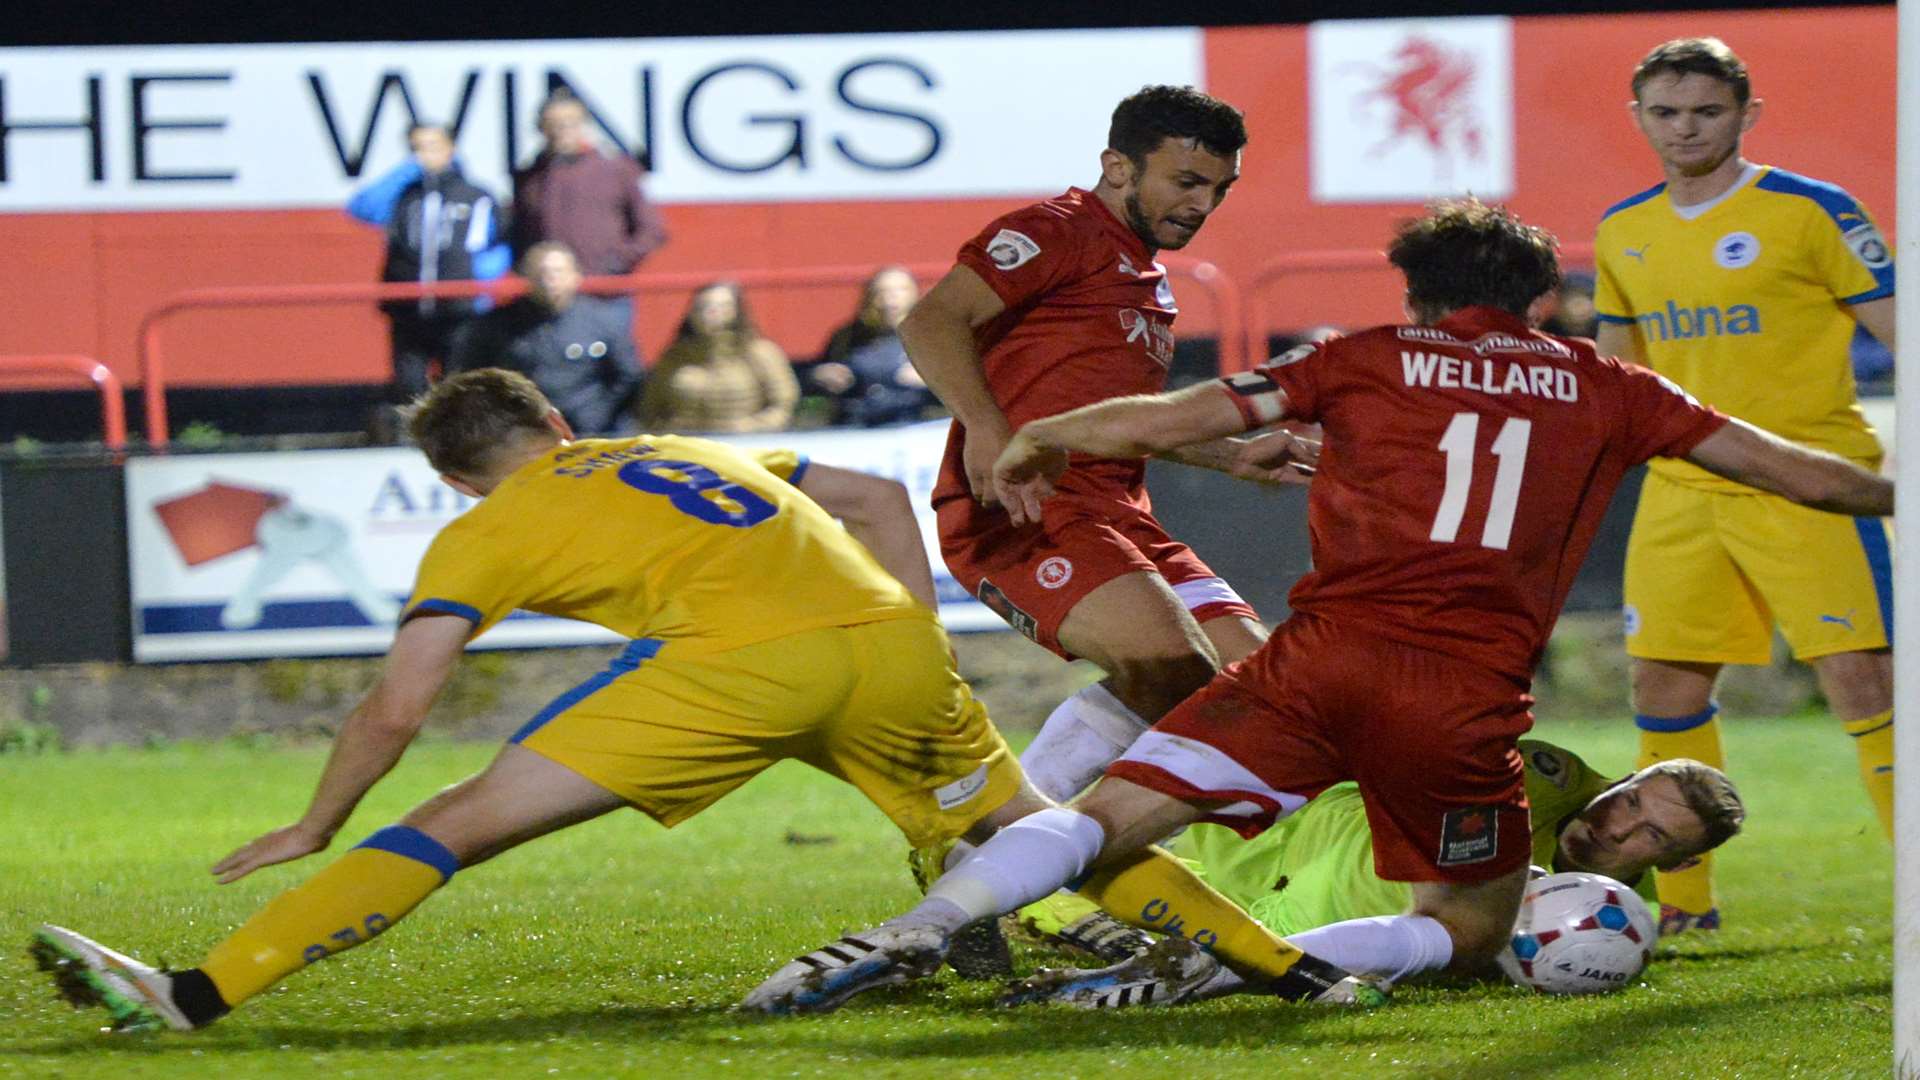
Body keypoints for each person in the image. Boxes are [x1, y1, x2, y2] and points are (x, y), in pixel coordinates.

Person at [744, 198, 1893, 1014]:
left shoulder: (1362, 354)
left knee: (1108, 814)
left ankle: (932, 922)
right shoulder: (1609, 385)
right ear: (1541, 294)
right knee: (1472, 922)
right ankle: (1249, 960)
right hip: (1459, 699)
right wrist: (1895, 489)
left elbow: (1181, 415)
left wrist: (1044, 432)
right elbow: (1805, 473)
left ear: (1419, 292)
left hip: (1317, 660)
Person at [34, 369, 1377, 1033]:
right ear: (559, 424)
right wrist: (911, 622)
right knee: (1034, 829)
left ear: (459, 478)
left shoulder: (482, 529)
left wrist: (318, 817)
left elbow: (395, 708)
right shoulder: (673, 445)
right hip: (890, 646)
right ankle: (1300, 978)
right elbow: (861, 496)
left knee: (453, 817)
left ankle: (199, 993)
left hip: (742, 670)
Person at [898, 87, 1317, 963]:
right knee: (1171, 670)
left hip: (1120, 510)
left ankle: (999, 855)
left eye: (1218, 191)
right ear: (1118, 165)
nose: (1199, 205)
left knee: (1257, 687)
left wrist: (1229, 454)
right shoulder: (1055, 228)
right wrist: (985, 425)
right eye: (1186, 181)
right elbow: (932, 319)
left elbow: (1108, 410)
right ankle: (997, 874)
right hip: (1023, 507)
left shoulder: (1142, 271)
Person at [1591, 37, 1896, 935]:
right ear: (1640, 118)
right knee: (1664, 692)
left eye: (1707, 111)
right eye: (1667, 112)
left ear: (1747, 116)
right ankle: (1685, 906)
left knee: (1865, 687)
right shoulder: (1624, 229)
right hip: (1684, 493)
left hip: (1811, 487)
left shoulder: (1813, 211)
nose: (1685, 129)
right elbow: (1621, 377)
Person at [1011, 741, 1745, 1006]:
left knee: (1155, 902)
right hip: (1313, 847)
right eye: (1627, 797)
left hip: (1326, 907)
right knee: (1084, 853)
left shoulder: (1612, 913)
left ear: (1676, 864)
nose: (1612, 823)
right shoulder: (1550, 778)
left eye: (1649, 832)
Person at [346, 122, 509, 438]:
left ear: (450, 149)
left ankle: (464, 446)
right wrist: (406, 171)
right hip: (409, 310)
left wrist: (482, 283)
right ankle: (415, 445)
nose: (423, 155)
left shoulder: (477, 195)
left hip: (462, 311)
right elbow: (361, 208)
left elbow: (500, 243)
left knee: (461, 385)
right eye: (416, 148)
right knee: (409, 389)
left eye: (431, 146)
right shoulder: (404, 196)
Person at [510, 90, 667, 332]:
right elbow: (518, 232)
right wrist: (529, 268)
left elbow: (652, 230)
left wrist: (615, 262)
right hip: (548, 297)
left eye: (571, 123)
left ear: (584, 125)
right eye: (553, 124)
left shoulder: (615, 169)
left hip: (604, 295)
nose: (562, 130)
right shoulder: (529, 176)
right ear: (541, 128)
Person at [450, 243, 642, 436]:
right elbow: (471, 376)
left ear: (575, 276)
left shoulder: (604, 321)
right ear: (525, 276)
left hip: (592, 430)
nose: (549, 280)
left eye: (557, 272)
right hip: (522, 432)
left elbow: (629, 376)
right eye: (541, 273)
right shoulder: (495, 325)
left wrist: (598, 416)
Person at [642, 281, 800, 433]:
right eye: (702, 306)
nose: (710, 312)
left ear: (737, 311)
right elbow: (650, 408)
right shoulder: (674, 357)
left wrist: (753, 427)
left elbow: (783, 405)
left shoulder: (760, 353)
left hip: (745, 446)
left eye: (721, 306)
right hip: (686, 448)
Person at [808, 266, 941, 427]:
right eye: (881, 291)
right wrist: (821, 375)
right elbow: (816, 376)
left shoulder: (934, 335)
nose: (890, 297)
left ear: (915, 295)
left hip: (914, 423)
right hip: (856, 424)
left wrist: (932, 381)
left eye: (900, 290)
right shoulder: (847, 336)